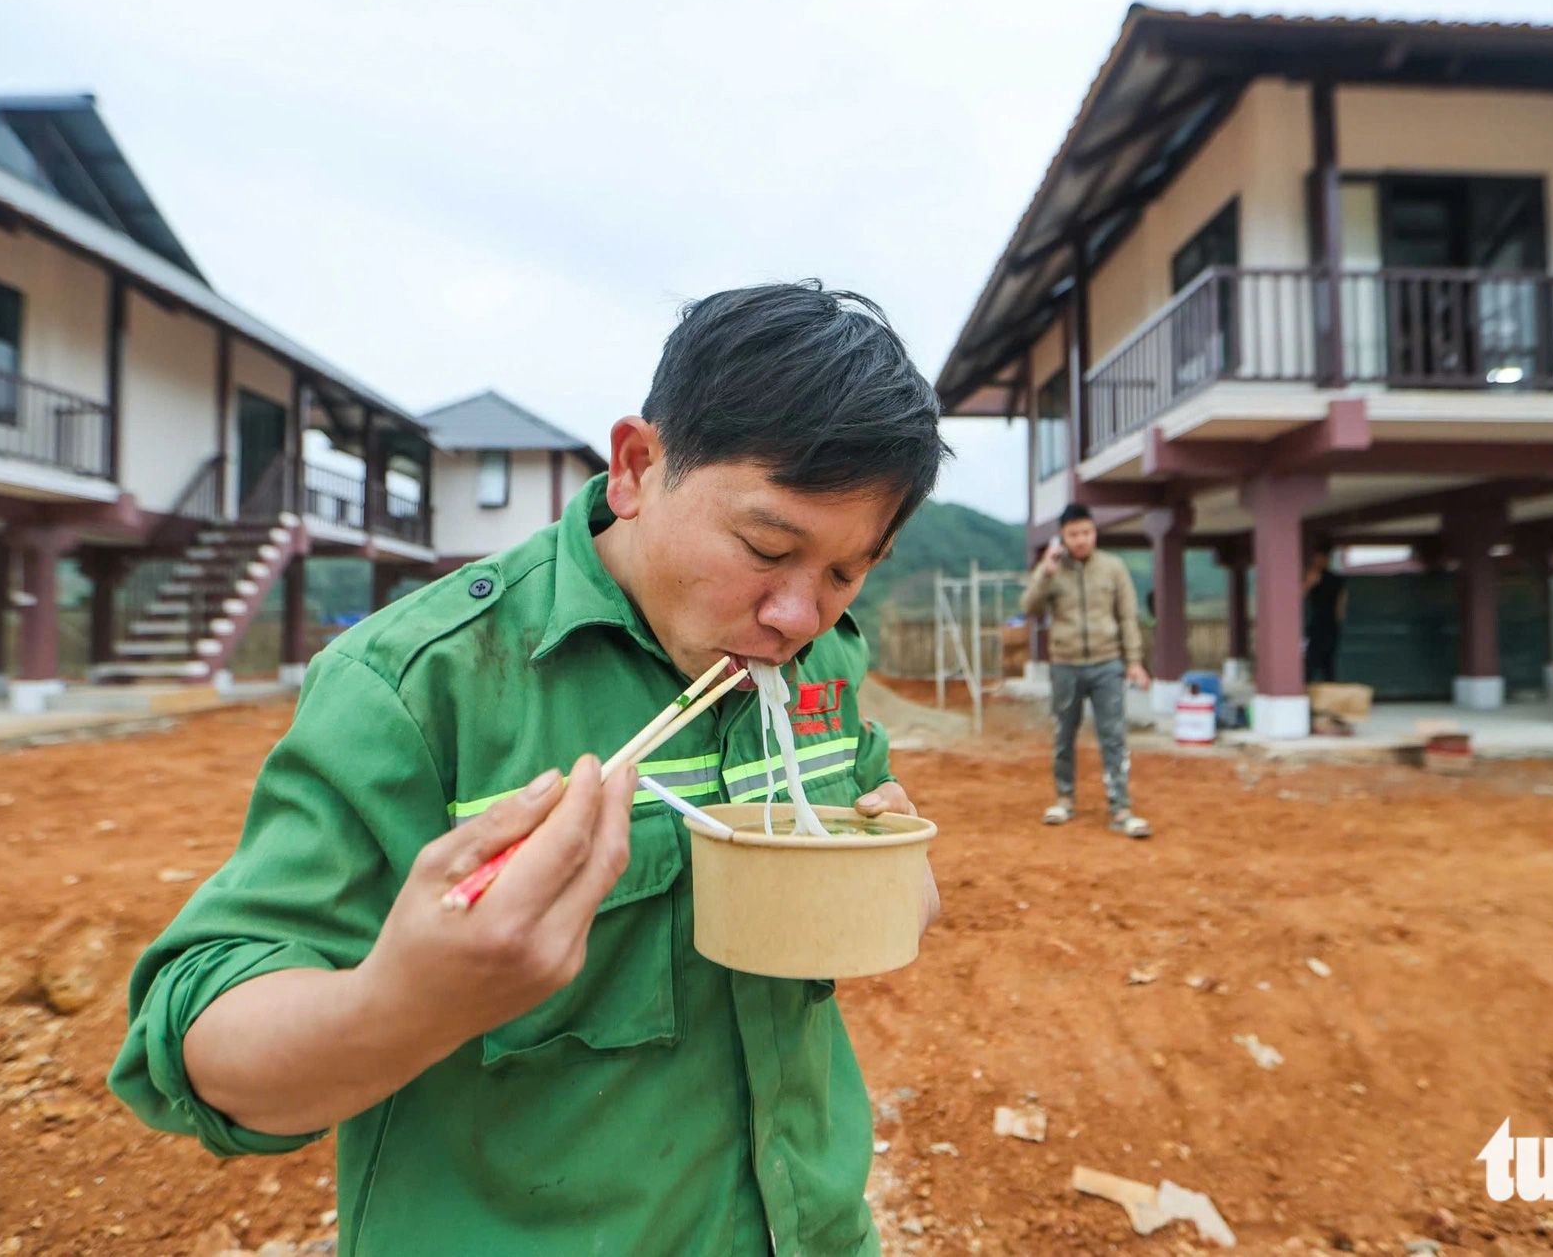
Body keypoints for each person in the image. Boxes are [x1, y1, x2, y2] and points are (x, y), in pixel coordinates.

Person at [109, 282, 949, 1256]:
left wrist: (890, 881)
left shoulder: (824, 662)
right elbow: (201, 1039)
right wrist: (404, 1003)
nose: (798, 616)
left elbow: (877, 863)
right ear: (636, 467)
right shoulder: (419, 683)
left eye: (847, 571)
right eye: (766, 547)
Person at [1021, 502, 1151, 838]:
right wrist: (1046, 572)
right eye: (1073, 534)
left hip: (1108, 664)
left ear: (1095, 532)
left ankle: (1120, 808)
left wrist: (1134, 661)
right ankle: (1064, 800)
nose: (1081, 539)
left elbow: (1127, 617)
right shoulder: (1051, 570)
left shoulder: (1113, 567)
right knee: (1063, 735)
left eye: (1086, 532)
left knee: (1114, 736)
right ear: (1062, 537)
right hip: (1065, 664)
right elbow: (1029, 607)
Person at [1303, 546, 1348, 683]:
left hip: (1329, 623)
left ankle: (1329, 687)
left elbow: (1341, 603)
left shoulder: (1335, 580)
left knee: (1328, 661)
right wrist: (1310, 581)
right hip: (1316, 623)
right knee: (1311, 659)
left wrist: (1339, 618)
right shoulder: (1312, 576)